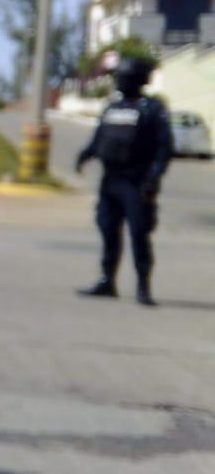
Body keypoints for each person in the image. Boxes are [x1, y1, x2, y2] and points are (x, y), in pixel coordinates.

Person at [75, 53, 173, 307]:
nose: (119, 82)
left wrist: (153, 178)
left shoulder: (152, 109)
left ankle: (143, 286)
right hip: (111, 181)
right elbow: (99, 138)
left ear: (137, 80)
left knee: (139, 234)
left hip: (137, 183)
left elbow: (164, 148)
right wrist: (85, 155)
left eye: (124, 77)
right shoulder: (113, 108)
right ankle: (107, 280)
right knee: (108, 230)